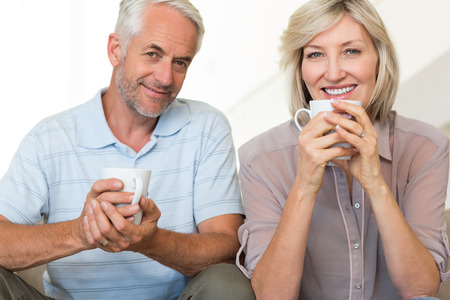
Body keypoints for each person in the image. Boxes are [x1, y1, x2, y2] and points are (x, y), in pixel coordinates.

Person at [0, 0, 254, 299]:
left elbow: (227, 246)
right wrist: (82, 232)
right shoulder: (49, 137)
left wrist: (149, 241)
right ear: (115, 49)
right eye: (152, 54)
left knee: (227, 281)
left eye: (180, 62)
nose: (165, 78)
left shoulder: (206, 127)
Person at [235, 0, 450, 299]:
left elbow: (422, 291)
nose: (334, 74)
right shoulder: (260, 160)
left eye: (351, 51)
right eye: (315, 54)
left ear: (379, 59)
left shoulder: (425, 147)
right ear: (300, 69)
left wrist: (375, 185)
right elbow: (272, 296)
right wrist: (304, 186)